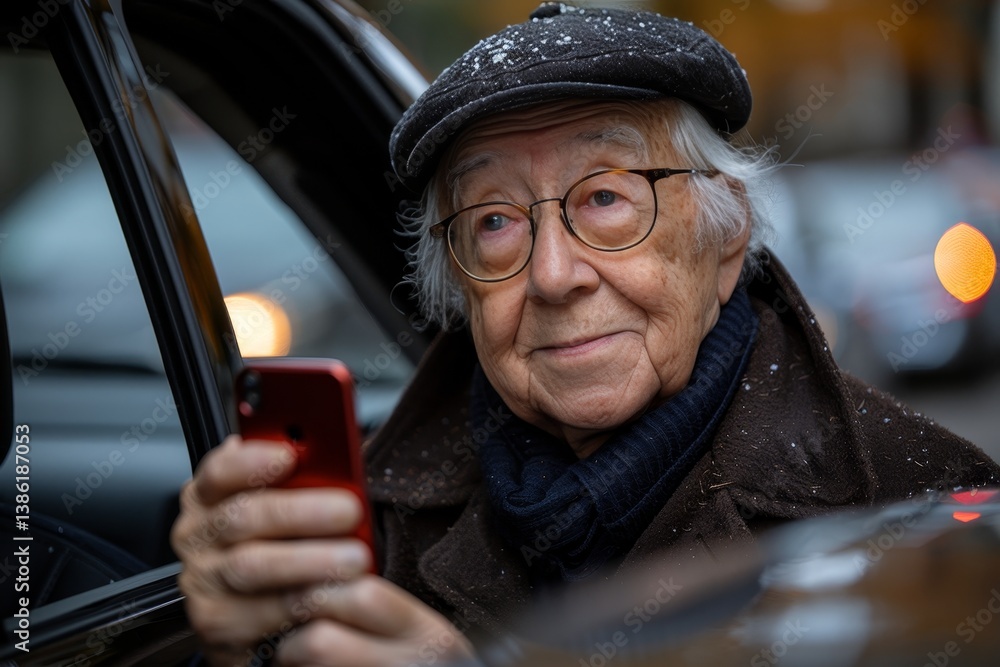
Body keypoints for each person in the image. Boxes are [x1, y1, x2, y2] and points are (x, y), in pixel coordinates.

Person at [171, 4, 1000, 666]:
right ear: (460, 283)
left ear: (724, 239)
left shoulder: (928, 512)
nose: (553, 274)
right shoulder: (364, 523)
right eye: (494, 220)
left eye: (607, 197)